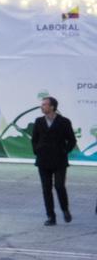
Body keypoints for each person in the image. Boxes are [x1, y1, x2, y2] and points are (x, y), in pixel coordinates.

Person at [32, 96, 77, 226]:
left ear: (52, 107)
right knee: (46, 189)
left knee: (59, 186)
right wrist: (37, 150)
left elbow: (72, 140)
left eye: (45, 104)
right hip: (43, 160)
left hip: (59, 160)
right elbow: (34, 139)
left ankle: (65, 209)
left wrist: (65, 151)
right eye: (42, 104)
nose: (42, 106)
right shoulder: (39, 121)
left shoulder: (64, 121)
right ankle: (51, 217)